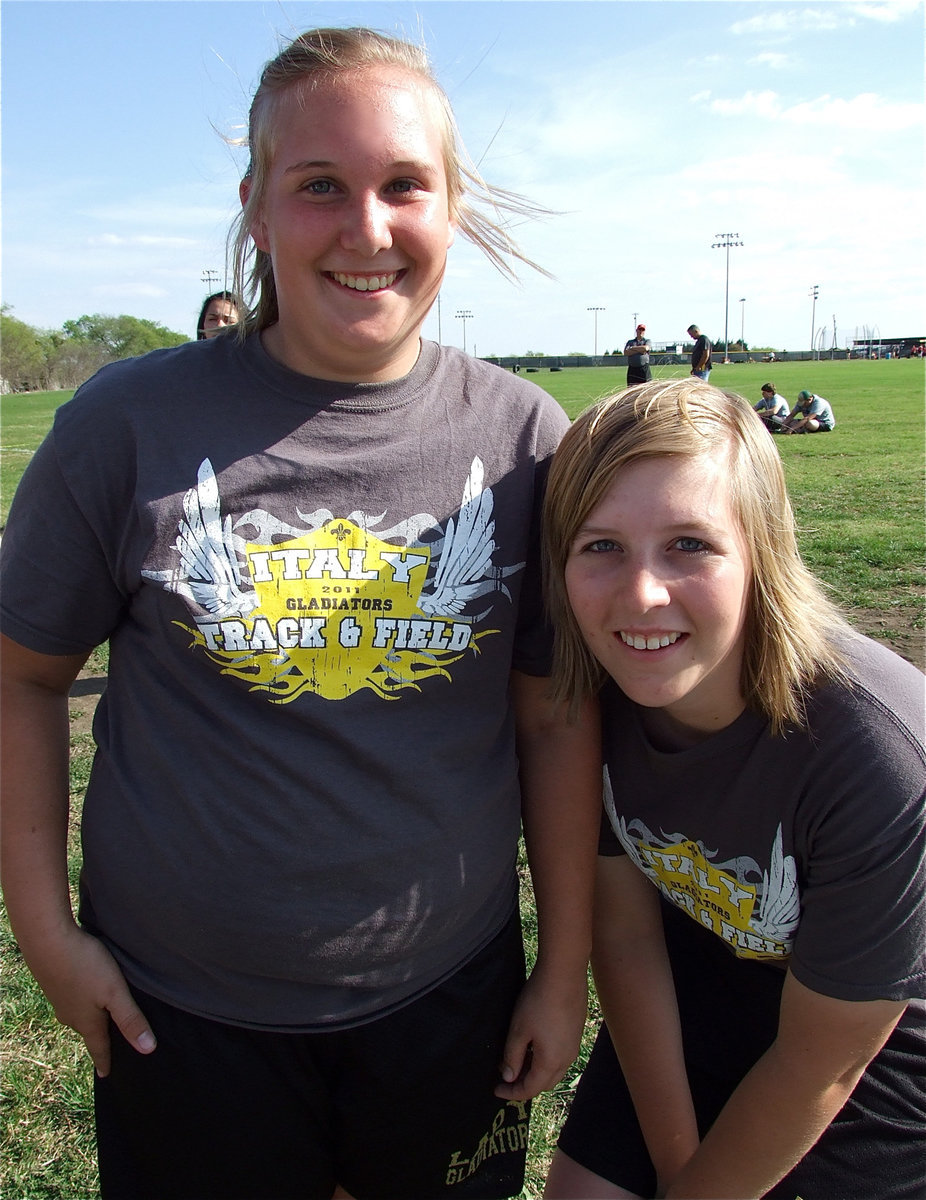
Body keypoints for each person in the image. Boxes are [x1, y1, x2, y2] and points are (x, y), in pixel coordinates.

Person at [0, 27, 601, 1200]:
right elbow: (22, 677)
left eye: (403, 185)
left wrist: (560, 965)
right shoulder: (124, 426)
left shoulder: (525, 440)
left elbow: (553, 719)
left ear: (452, 207)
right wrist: (45, 933)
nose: (365, 230)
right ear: (257, 209)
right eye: (319, 184)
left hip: (446, 994)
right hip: (180, 1007)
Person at [540, 378, 925, 1200]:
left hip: (879, 1032)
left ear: (762, 552)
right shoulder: (596, 699)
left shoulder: (873, 753)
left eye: (690, 544)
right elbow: (627, 938)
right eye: (601, 546)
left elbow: (826, 1061)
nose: (642, 594)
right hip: (706, 977)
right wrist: (677, 1163)